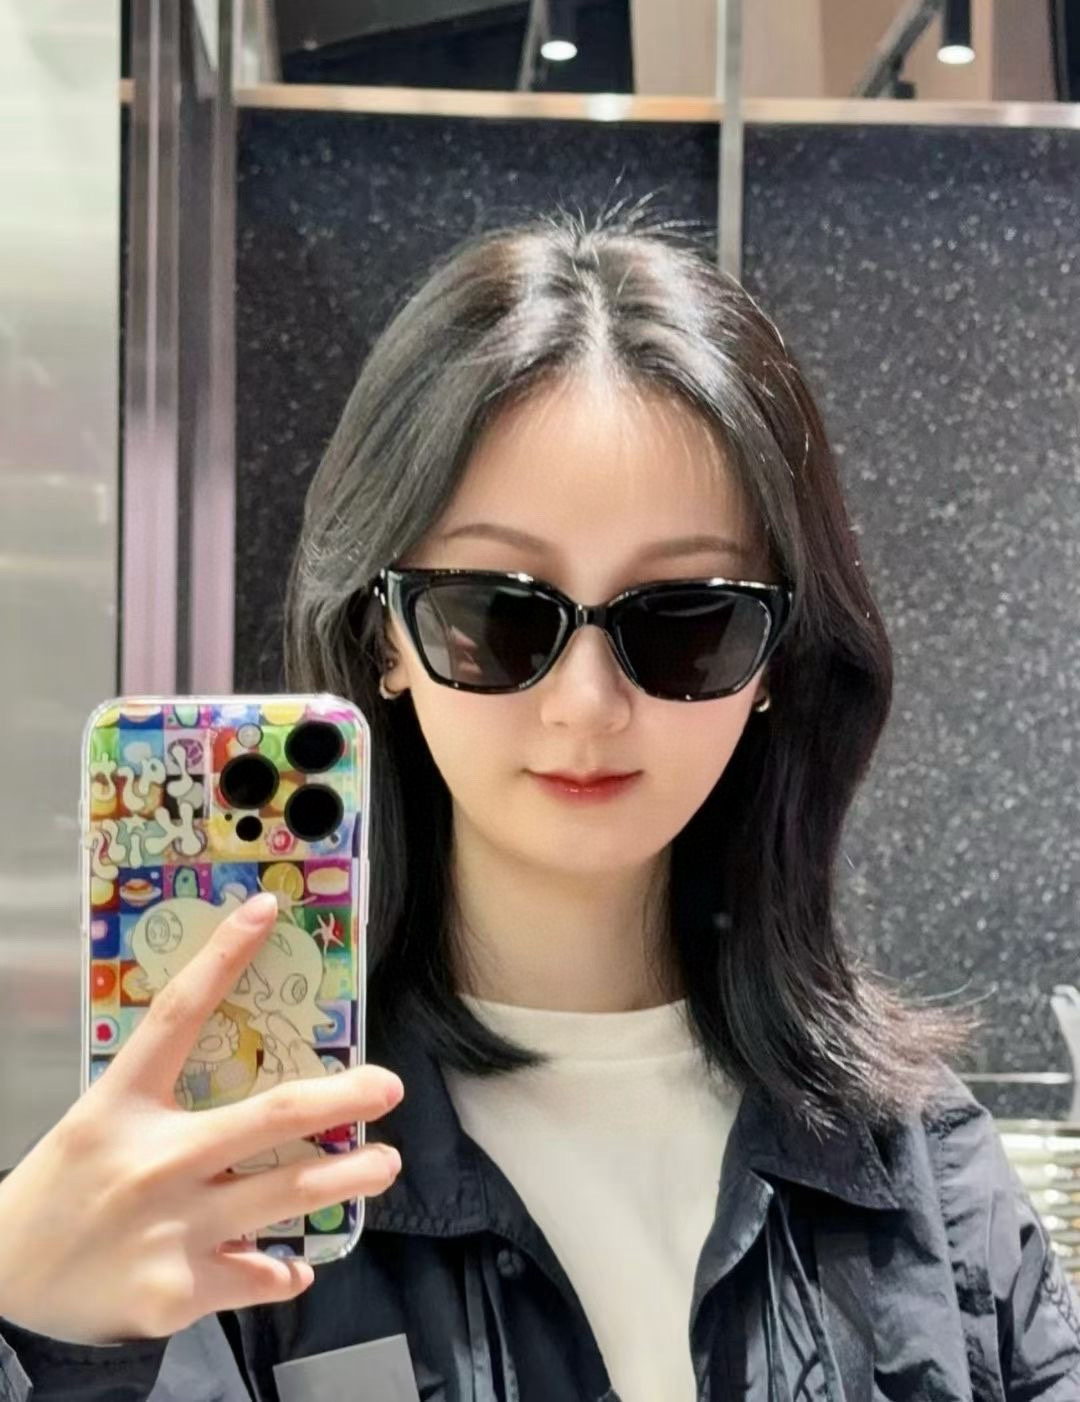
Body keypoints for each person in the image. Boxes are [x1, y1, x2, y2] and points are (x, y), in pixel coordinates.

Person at [0, 207, 1077, 1402]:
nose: (586, 703)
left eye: (688, 621)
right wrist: (41, 1333)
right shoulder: (236, 1174)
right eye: (496, 616)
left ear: (776, 658)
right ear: (385, 635)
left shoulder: (924, 1180)